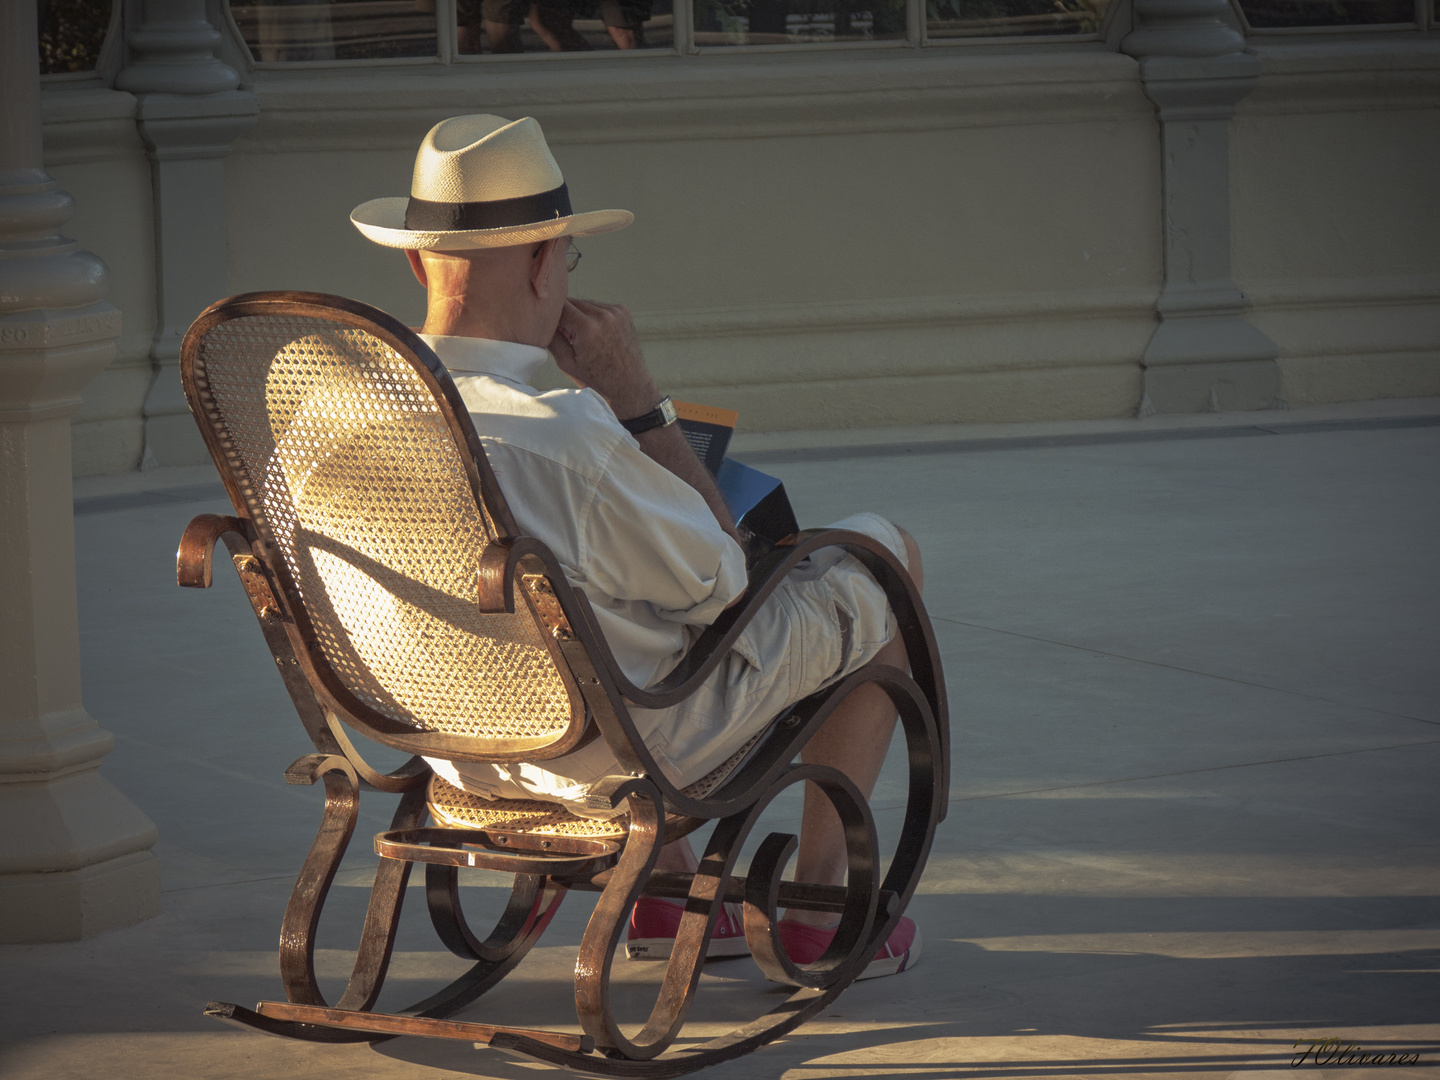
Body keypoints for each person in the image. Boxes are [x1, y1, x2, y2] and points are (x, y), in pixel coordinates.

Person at [350, 114, 923, 979]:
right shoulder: (562, 438)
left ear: (414, 259)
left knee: (603, 601)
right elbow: (722, 581)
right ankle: (816, 905)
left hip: (449, 745)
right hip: (612, 760)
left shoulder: (327, 420)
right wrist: (641, 406)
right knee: (882, 554)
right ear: (547, 261)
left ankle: (663, 890)